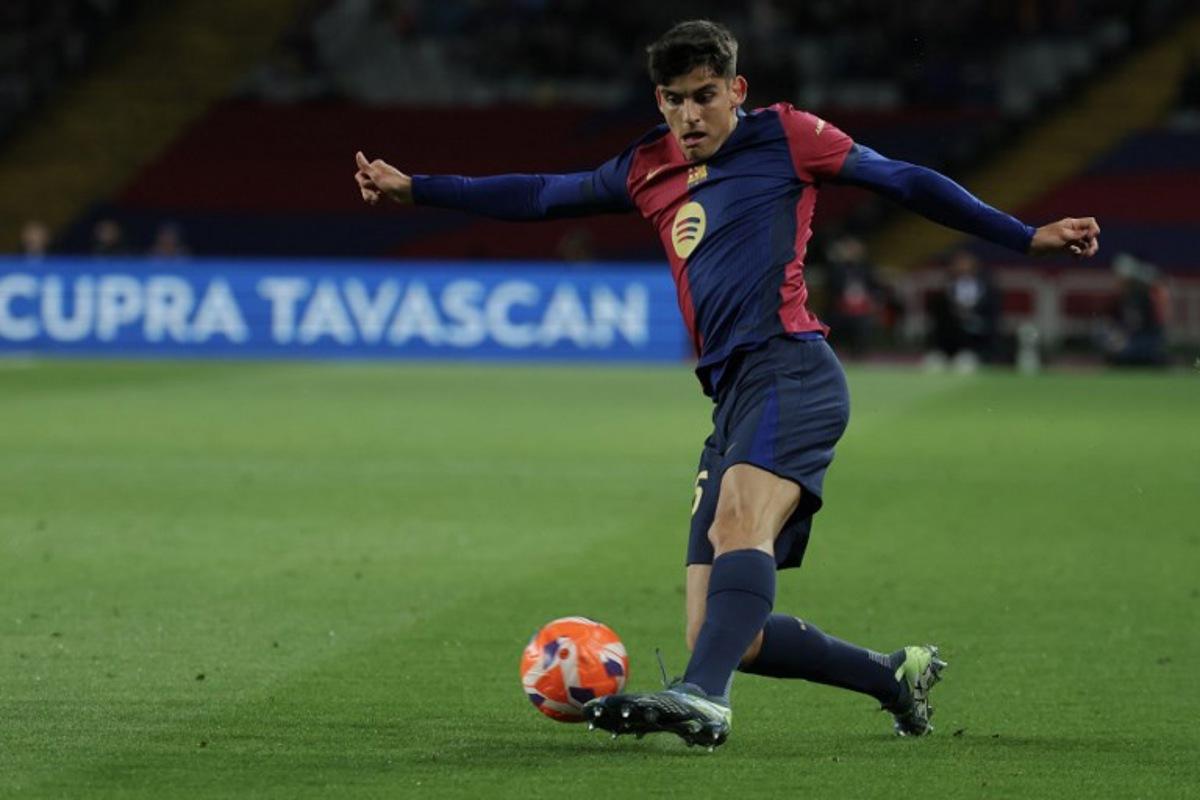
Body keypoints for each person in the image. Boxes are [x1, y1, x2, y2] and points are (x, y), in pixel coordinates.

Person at [353, 19, 1100, 749]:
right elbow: (543, 193)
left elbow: (905, 180)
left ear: (736, 89)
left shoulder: (787, 135)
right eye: (673, 99)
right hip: (733, 394)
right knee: (722, 631)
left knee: (738, 527)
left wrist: (1023, 234)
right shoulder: (647, 166)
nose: (688, 114)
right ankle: (891, 678)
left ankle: (701, 698)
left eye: (704, 95)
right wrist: (417, 188)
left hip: (791, 366)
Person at [925, 249, 1002, 371]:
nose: (961, 267)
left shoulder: (988, 290)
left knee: (965, 364)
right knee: (933, 364)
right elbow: (937, 320)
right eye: (957, 264)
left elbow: (993, 318)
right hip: (948, 344)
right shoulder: (945, 290)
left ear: (974, 267)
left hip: (977, 343)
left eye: (964, 263)